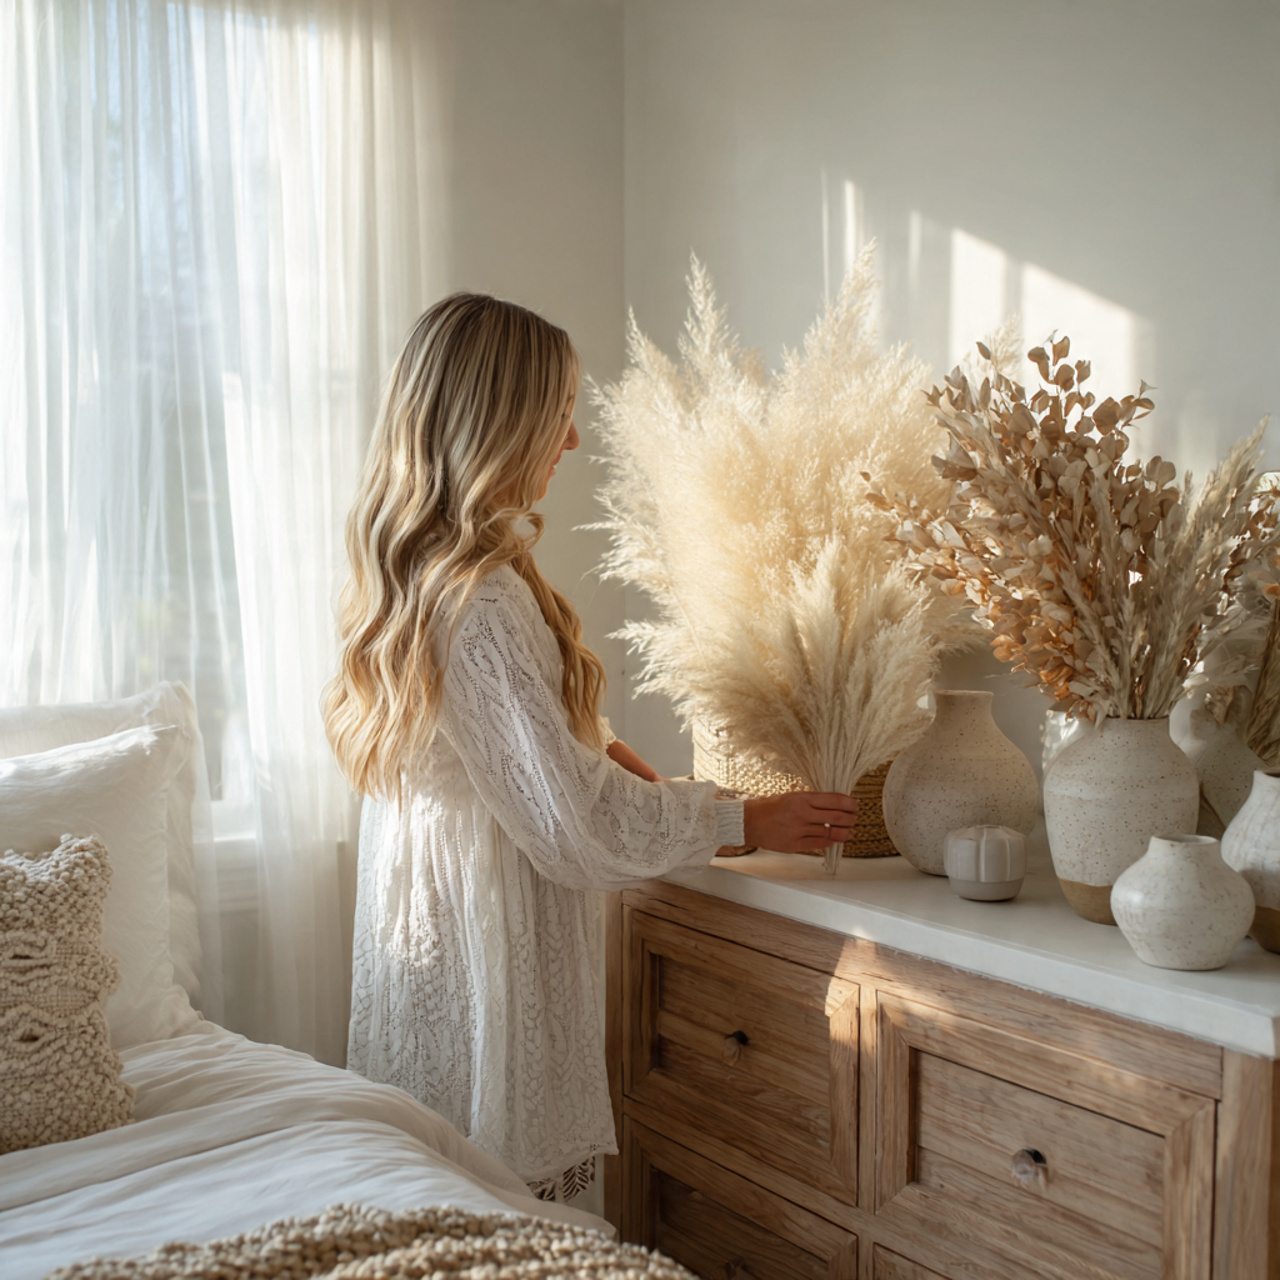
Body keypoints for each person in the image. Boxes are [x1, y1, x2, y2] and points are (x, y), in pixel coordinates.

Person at [323, 293, 859, 1201]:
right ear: (500, 422)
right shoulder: (483, 600)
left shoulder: (420, 576)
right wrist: (741, 820)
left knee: (435, 1203)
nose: (570, 442)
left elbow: (531, 743)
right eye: (559, 413)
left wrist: (640, 775)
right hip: (487, 949)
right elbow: (569, 822)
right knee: (508, 1218)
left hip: (432, 941)